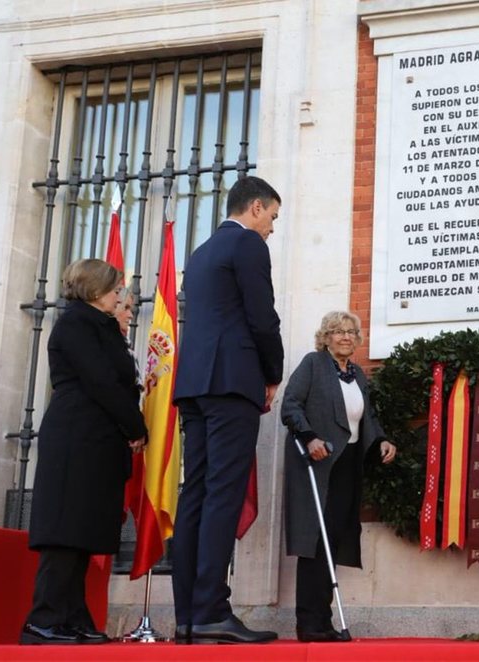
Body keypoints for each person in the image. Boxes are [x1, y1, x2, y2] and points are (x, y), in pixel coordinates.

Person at [171, 176, 285, 645]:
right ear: (255, 208)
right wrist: (272, 372)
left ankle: (188, 617)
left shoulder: (200, 253)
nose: (272, 229)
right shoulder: (248, 246)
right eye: (273, 218)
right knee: (222, 492)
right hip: (232, 381)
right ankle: (213, 610)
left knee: (195, 492)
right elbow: (263, 315)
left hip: (194, 384)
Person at [22, 259, 146, 645]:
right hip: (76, 436)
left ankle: (73, 618)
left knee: (82, 530)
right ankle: (44, 619)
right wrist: (135, 425)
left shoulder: (101, 326)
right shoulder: (76, 323)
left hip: (97, 439)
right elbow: (101, 381)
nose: (118, 294)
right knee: (65, 529)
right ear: (95, 290)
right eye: (114, 288)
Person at [280, 311, 397, 642]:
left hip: (347, 464)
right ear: (326, 337)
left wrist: (383, 440)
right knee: (314, 540)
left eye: (351, 332)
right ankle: (310, 623)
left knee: (332, 538)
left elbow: (366, 416)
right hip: (317, 461)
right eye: (338, 331)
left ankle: (324, 619)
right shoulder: (312, 364)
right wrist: (310, 437)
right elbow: (290, 405)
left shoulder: (357, 374)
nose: (346, 336)